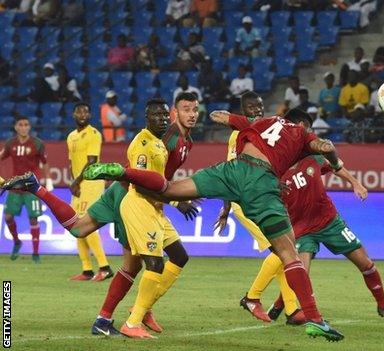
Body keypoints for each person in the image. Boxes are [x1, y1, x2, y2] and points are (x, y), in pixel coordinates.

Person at [79, 105, 348, 341]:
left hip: (232, 170)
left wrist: (225, 116)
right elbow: (327, 147)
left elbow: (231, 119)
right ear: (302, 124)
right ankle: (314, 318)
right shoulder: (302, 133)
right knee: (290, 254)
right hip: (261, 183)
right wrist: (335, 163)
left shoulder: (266, 121)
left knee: (170, 190)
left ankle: (123, 171)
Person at [1, 94, 200, 338]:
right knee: (136, 264)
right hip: (132, 198)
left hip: (126, 192)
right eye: (185, 109)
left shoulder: (181, 140)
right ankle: (119, 316)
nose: (191, 113)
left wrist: (173, 195)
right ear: (174, 113)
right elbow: (144, 180)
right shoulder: (166, 139)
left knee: (80, 228)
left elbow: (159, 178)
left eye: (195, 109)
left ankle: (36, 187)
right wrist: (175, 199)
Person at [220, 110, 384, 325]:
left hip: (329, 221)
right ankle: (291, 309)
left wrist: (355, 183)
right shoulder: (273, 162)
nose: (306, 133)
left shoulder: (313, 156)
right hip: (300, 228)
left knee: (366, 264)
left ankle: (383, 305)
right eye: (302, 128)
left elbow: (336, 167)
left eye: (307, 129)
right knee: (300, 276)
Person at [216, 91, 302, 323]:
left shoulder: (266, 130)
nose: (256, 110)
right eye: (251, 107)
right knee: (281, 249)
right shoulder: (239, 135)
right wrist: (226, 208)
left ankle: (293, 310)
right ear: (243, 111)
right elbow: (232, 170)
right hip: (245, 201)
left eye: (259, 106)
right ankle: (252, 297)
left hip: (260, 197)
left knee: (285, 251)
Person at [66, 102, 113, 281]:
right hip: (78, 184)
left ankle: (105, 267)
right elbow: (71, 163)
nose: (82, 114)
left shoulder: (93, 134)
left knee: (87, 224)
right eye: (79, 111)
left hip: (91, 183)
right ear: (73, 114)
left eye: (86, 111)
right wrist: (74, 182)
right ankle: (87, 269)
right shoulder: (70, 136)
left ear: (90, 115)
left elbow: (92, 161)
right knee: (75, 226)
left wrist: (76, 182)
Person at [0, 116, 51, 263]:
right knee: (8, 217)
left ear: (29, 127)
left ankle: (35, 253)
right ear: (16, 127)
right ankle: (17, 241)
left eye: (26, 125)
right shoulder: (11, 143)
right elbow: (2, 156)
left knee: (33, 219)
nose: (23, 127)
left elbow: (45, 162)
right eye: (20, 125)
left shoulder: (37, 143)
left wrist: (48, 180)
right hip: (15, 187)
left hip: (31, 188)